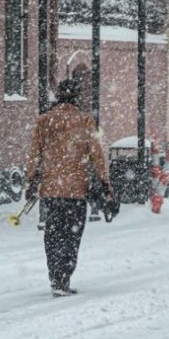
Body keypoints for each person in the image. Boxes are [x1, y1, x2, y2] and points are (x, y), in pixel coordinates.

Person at [26, 76, 114, 297]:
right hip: (76, 190)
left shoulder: (44, 121)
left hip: (50, 189)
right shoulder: (84, 121)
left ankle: (54, 275)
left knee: (52, 233)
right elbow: (97, 155)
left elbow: (34, 155)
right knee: (72, 235)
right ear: (77, 97)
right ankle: (64, 275)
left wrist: (32, 180)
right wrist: (104, 182)